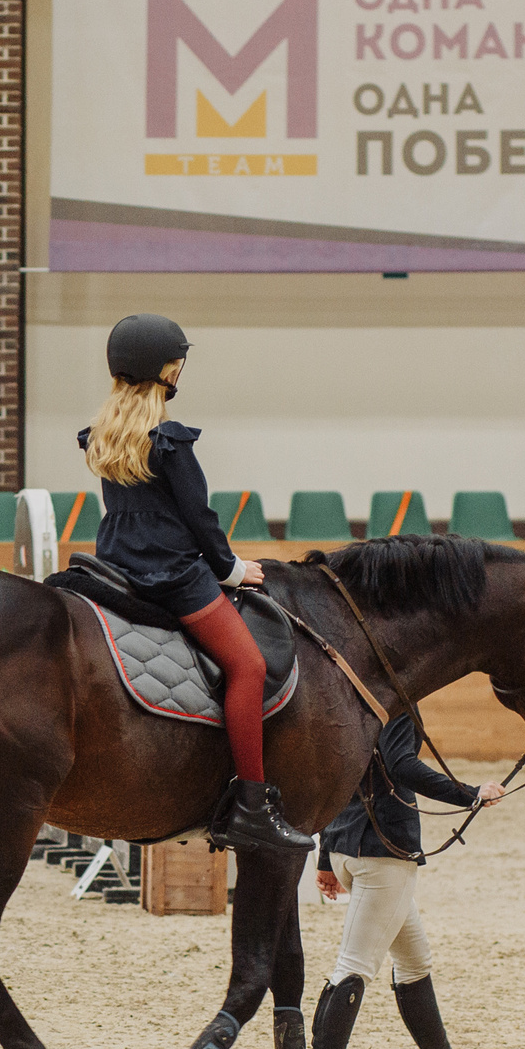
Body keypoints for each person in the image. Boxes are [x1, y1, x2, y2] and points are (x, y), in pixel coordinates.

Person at [78, 313, 309, 853]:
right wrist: (232, 569)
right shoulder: (170, 441)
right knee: (248, 666)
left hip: (116, 563)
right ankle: (251, 804)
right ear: (167, 370)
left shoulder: (102, 436)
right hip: (172, 572)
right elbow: (198, 517)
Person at [308, 711, 508, 1049]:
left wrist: (327, 855)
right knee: (353, 967)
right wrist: (470, 794)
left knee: (414, 961)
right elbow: (402, 765)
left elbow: (335, 772)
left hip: (347, 843)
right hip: (383, 853)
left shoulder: (352, 697)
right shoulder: (395, 703)